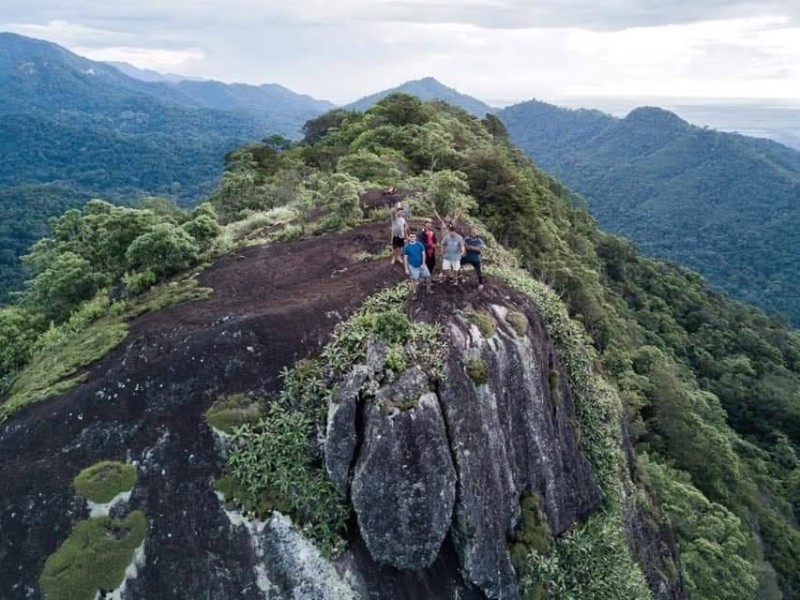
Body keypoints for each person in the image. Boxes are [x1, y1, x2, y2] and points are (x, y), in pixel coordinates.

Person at [403, 232, 432, 298]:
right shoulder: (406, 247)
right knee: (414, 279)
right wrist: (406, 268)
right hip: (412, 266)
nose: (412, 238)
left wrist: (423, 264)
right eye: (411, 237)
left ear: (416, 237)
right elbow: (405, 258)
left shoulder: (420, 245)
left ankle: (428, 289)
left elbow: (423, 254)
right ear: (409, 238)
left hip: (421, 264)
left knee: (428, 276)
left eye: (413, 237)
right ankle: (414, 293)